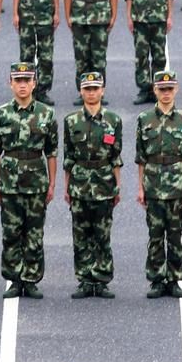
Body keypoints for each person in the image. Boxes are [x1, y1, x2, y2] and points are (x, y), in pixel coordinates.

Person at [0, 64, 58, 299]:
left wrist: (52, 184)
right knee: (11, 232)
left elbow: (51, 152)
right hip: (9, 181)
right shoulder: (1, 114)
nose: (22, 85)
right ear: (10, 83)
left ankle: (31, 279)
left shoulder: (46, 114)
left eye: (26, 80)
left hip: (36, 180)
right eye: (17, 80)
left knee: (34, 233)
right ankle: (14, 279)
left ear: (34, 84)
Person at [64, 72, 122, 298]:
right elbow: (68, 157)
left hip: (104, 182)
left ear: (102, 90)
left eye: (95, 88)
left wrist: (118, 187)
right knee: (80, 234)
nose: (91, 92)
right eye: (87, 88)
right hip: (79, 183)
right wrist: (66, 187)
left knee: (102, 234)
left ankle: (102, 279)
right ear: (81, 91)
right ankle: (85, 279)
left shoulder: (113, 121)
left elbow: (116, 157)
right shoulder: (71, 121)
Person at [135, 70, 182, 298]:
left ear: (176, 89)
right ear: (155, 90)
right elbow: (140, 157)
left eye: (169, 89)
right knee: (156, 235)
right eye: (162, 89)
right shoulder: (144, 119)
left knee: (176, 234)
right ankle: (157, 279)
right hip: (153, 182)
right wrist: (140, 187)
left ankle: (175, 279)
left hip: (177, 183)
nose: (166, 93)